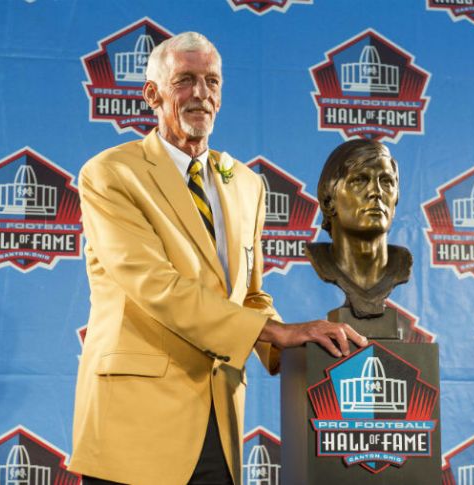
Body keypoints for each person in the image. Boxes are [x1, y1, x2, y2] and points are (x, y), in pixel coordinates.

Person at [69, 32, 367, 485]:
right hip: (134, 426)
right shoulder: (111, 174)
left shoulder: (247, 184)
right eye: (184, 80)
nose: (201, 94)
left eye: (211, 81)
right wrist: (275, 332)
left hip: (220, 422)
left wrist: (306, 355)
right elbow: (156, 286)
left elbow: (249, 296)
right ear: (153, 94)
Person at [307, 139, 412, 319]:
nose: (376, 191)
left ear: (396, 199)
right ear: (328, 199)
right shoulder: (322, 260)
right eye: (359, 180)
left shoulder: (401, 264)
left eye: (386, 181)